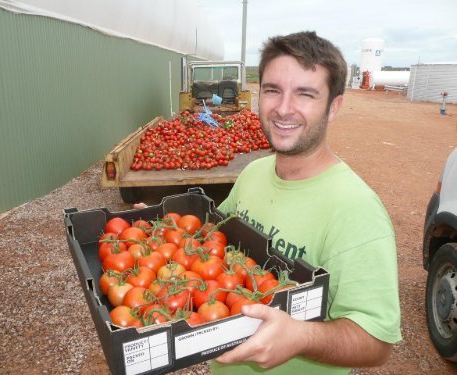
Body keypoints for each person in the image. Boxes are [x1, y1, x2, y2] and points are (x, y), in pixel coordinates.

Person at [135, 31, 401, 374]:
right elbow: (216, 237)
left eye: (305, 94)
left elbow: (377, 342)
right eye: (273, 90)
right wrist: (158, 230)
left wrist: (302, 338)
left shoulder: (357, 210)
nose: (284, 108)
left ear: (333, 107)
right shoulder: (254, 173)